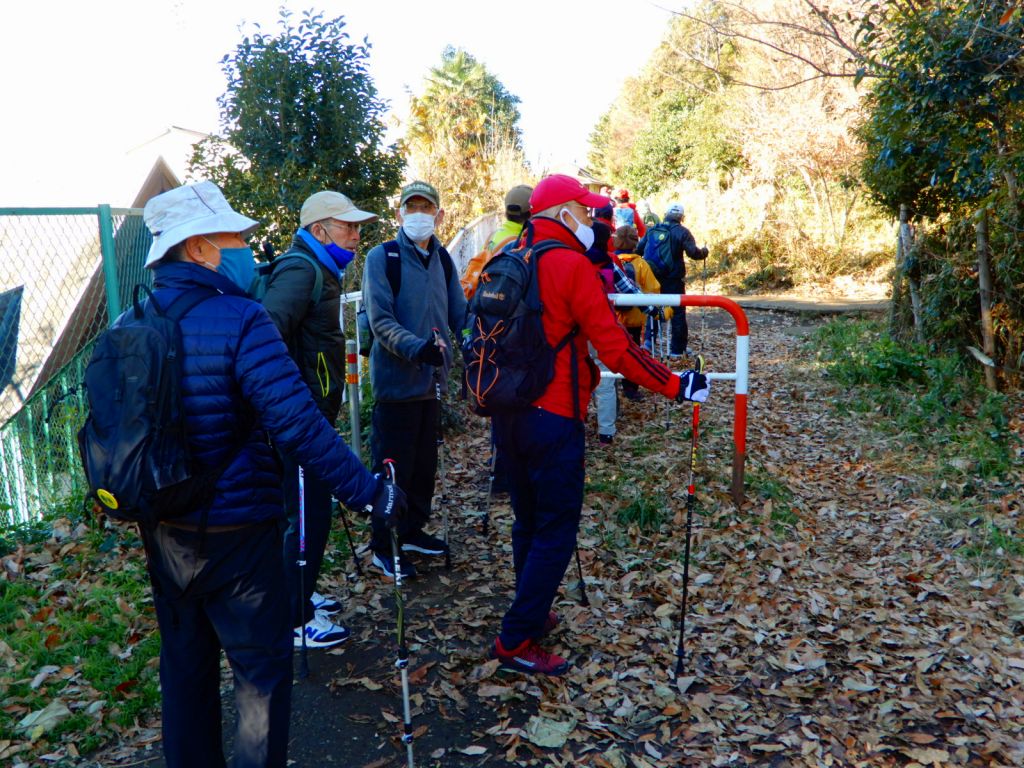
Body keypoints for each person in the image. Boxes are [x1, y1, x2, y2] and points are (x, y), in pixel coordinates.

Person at [139, 181, 406, 768]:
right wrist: (369, 493)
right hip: (238, 535)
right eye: (234, 237)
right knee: (260, 677)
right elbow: (301, 426)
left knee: (184, 673)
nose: (245, 250)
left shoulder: (134, 318)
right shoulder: (242, 319)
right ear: (200, 249)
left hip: (164, 535)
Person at [488, 175, 709, 676]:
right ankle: (516, 638)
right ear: (563, 214)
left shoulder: (511, 258)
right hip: (555, 418)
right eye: (585, 212)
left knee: (527, 522)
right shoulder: (571, 267)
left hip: (507, 417)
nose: (592, 220)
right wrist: (676, 385)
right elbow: (616, 349)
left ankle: (532, 612)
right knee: (556, 530)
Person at [261, 190, 379, 650]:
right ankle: (295, 618)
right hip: (299, 421)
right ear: (318, 231)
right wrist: (296, 400)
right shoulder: (301, 270)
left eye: (356, 226)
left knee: (305, 513)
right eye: (346, 226)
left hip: (306, 418)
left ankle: (298, 596)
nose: (355, 234)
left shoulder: (320, 271)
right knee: (309, 518)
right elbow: (266, 336)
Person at [362, 180, 468, 579]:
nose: (419, 214)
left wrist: (475, 340)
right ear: (399, 213)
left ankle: (410, 531)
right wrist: (416, 348)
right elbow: (380, 319)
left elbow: (459, 311)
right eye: (412, 207)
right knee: (392, 469)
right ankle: (383, 544)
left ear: (439, 215)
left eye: (426, 207)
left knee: (424, 467)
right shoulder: (381, 257)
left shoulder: (442, 259)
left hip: (431, 384)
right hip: (396, 384)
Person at [636, 203, 708, 357]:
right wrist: (704, 252)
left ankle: (649, 343)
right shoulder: (683, 232)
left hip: (652, 277)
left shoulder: (652, 230)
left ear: (666, 214)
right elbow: (693, 253)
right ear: (681, 217)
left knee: (653, 308)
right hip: (674, 278)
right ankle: (677, 349)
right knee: (678, 312)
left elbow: (638, 250)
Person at [613, 225, 670, 401]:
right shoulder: (641, 264)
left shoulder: (611, 262)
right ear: (634, 243)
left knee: (614, 352)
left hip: (613, 318)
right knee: (633, 352)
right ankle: (631, 389)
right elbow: (654, 289)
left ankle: (613, 388)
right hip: (635, 319)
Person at [461, 184, 533, 299]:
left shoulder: (493, 235)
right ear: (531, 215)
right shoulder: (520, 244)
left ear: (506, 213)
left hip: (480, 298)